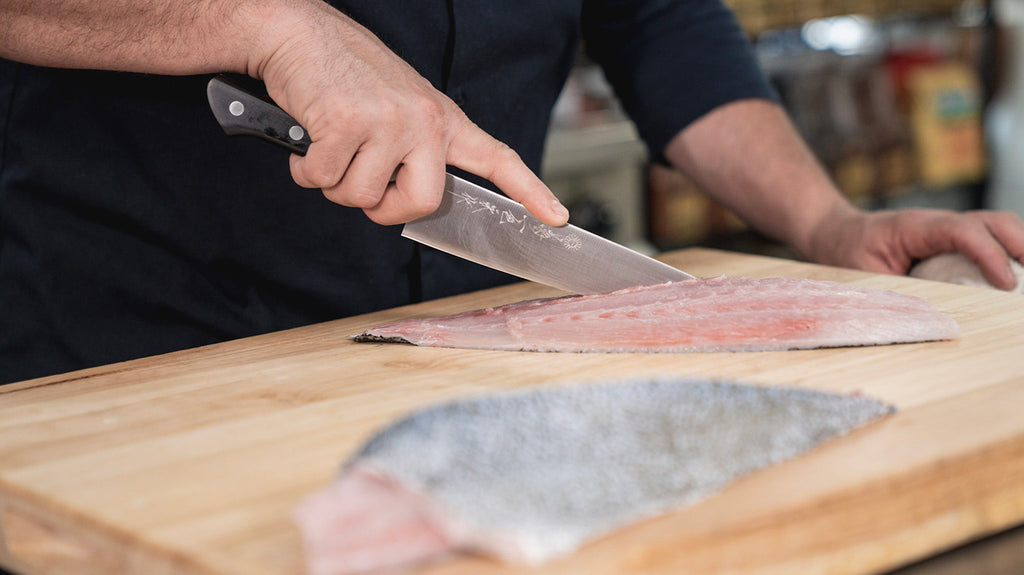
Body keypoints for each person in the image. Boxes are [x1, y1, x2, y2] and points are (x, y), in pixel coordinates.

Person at [1, 1, 1022, 385]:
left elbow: (658, 22)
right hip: (131, 351)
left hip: (456, 347)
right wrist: (271, 25)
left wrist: (827, 220)